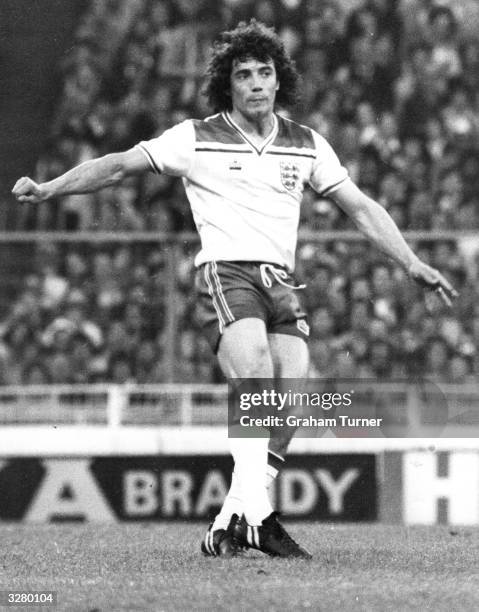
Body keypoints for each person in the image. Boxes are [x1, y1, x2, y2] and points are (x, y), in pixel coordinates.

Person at [12, 20, 457, 559]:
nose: (254, 83)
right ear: (228, 83)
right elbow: (116, 167)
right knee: (256, 381)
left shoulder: (307, 145)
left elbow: (360, 208)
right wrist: (50, 187)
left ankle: (228, 522)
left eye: (263, 73)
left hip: (282, 281)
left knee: (289, 405)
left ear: (278, 81)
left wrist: (411, 262)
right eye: (243, 74)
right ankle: (264, 520)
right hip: (227, 275)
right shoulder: (194, 137)